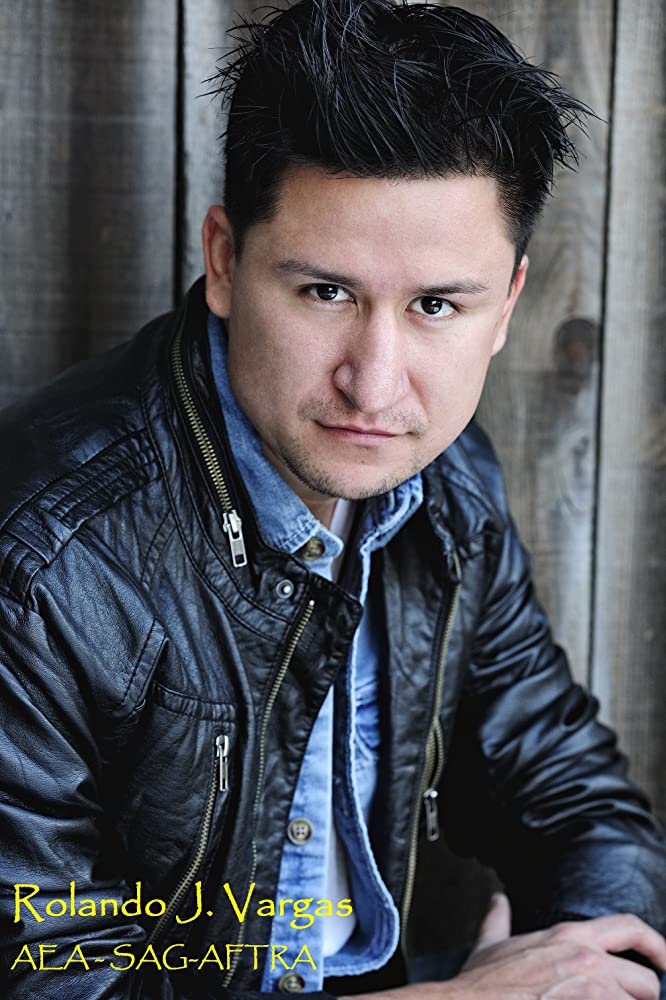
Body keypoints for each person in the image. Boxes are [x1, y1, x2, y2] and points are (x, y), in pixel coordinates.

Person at [0, 0, 665, 998]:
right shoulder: (44, 561)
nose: (375, 384)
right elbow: (49, 976)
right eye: (327, 292)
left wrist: (594, 966)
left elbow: (572, 796)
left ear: (507, 305)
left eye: (436, 304)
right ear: (225, 262)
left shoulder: (450, 487)